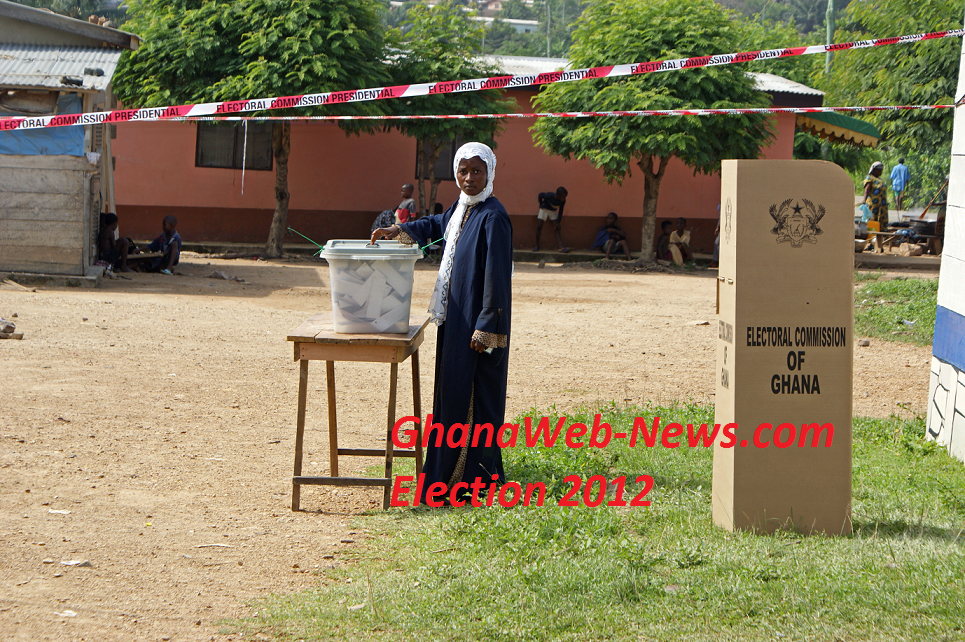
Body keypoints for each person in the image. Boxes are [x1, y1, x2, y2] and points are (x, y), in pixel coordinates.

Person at [371, 142, 511, 504]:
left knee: (473, 398)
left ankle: (470, 480)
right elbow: (436, 224)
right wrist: (396, 231)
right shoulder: (462, 209)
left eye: (476, 171)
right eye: (463, 171)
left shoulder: (492, 216)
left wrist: (487, 328)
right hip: (455, 318)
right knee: (452, 395)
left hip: (477, 328)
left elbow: (497, 276)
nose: (468, 178)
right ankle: (445, 476)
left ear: (490, 173)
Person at [533, 187, 570, 253]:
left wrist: (558, 221)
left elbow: (561, 210)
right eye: (563, 197)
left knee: (556, 228)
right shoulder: (549, 196)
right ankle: (537, 246)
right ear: (558, 195)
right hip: (544, 209)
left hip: (553, 211)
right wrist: (541, 203)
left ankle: (561, 247)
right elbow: (540, 195)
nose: (564, 198)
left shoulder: (563, 201)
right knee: (539, 226)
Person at [863, 161, 889, 231]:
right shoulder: (869, 178)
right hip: (873, 205)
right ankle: (871, 238)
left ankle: (880, 239)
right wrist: (864, 200)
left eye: (881, 170)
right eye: (879, 170)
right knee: (872, 222)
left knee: (881, 222)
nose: (880, 172)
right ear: (874, 170)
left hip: (882, 206)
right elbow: (867, 190)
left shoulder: (880, 179)